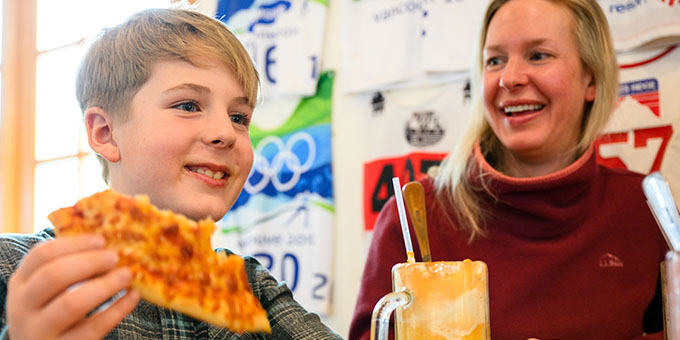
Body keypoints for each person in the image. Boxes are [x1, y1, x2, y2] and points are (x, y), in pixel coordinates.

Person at [0, 7, 343, 340]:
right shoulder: (12, 269)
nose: (224, 132)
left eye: (239, 117)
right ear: (105, 133)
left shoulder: (253, 287)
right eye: (188, 106)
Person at [348, 0, 667, 339]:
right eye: (495, 60)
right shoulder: (415, 218)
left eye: (538, 55)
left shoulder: (644, 210)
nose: (510, 78)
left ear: (591, 78)